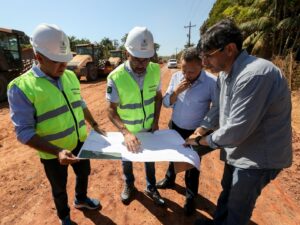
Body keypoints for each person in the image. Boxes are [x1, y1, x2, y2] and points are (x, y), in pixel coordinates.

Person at [185, 19, 293, 225]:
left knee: (238, 206)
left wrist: (201, 143)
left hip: (258, 157)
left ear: (230, 49)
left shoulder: (255, 74)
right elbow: (217, 108)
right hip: (238, 150)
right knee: (228, 190)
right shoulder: (225, 74)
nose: (205, 62)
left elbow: (237, 130)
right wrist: (201, 129)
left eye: (208, 56)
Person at [7, 24, 105, 225]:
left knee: (83, 174)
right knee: (59, 188)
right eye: (57, 62)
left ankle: (81, 199)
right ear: (39, 57)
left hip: (80, 142)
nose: (63, 67)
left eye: (65, 60)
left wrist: (94, 124)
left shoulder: (69, 76)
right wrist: (58, 151)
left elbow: (80, 103)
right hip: (53, 154)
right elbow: (23, 132)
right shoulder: (21, 88)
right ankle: (65, 217)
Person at [106, 26, 165, 206]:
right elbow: (110, 109)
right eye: (137, 59)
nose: (142, 65)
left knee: (149, 161)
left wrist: (155, 121)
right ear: (126, 54)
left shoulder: (155, 70)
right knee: (127, 161)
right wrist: (125, 132)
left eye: (145, 60)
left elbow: (157, 97)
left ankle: (151, 187)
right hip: (128, 131)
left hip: (148, 129)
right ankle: (129, 186)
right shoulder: (115, 77)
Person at [155, 47, 217, 216]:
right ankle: (169, 179)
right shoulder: (176, 78)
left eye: (191, 71)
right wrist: (176, 92)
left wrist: (202, 131)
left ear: (202, 65)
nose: (186, 75)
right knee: (173, 156)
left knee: (192, 165)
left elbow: (215, 109)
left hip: (195, 132)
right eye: (184, 70)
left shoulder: (211, 82)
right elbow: (167, 103)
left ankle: (190, 197)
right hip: (175, 126)